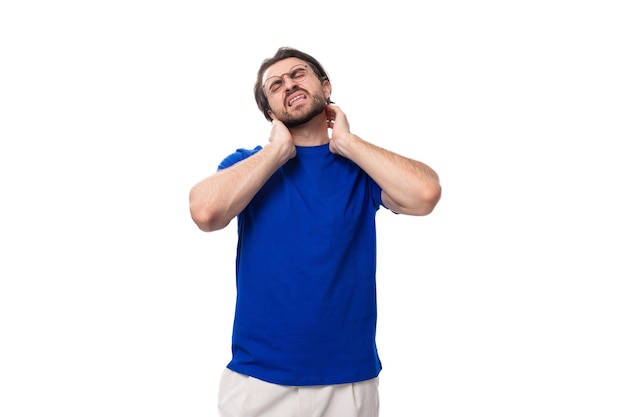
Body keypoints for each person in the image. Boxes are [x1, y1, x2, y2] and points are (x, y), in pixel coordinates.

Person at [189, 46, 441, 417]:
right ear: (270, 112)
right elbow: (206, 212)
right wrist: (277, 152)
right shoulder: (247, 165)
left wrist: (348, 143)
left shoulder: (361, 168)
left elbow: (425, 194)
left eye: (298, 74)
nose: (288, 83)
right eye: (275, 85)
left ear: (325, 87)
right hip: (259, 381)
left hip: (348, 381)